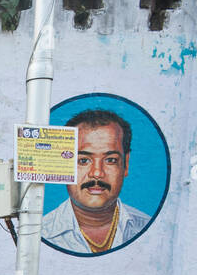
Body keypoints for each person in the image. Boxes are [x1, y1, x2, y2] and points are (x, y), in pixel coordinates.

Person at [43, 109, 151, 254]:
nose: (97, 173)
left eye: (110, 160)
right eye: (83, 160)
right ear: (64, 166)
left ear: (126, 164)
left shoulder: (149, 228)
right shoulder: (38, 234)